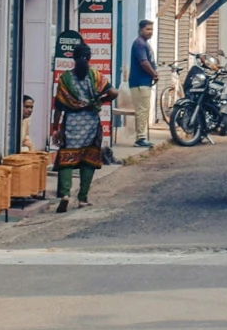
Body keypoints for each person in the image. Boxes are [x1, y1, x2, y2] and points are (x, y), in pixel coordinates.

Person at [51, 57, 112, 212]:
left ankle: (65, 194)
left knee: (66, 157)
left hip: (71, 122)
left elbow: (58, 105)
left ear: (74, 59)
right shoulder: (95, 76)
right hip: (91, 122)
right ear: (89, 59)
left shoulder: (65, 79)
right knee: (88, 158)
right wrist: (101, 101)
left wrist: (55, 127)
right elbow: (113, 92)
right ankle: (82, 198)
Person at [124, 21, 159, 150]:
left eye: (152, 30)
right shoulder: (139, 44)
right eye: (148, 29)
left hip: (144, 83)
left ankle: (142, 137)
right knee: (142, 111)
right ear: (141, 30)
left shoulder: (144, 44)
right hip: (139, 83)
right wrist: (154, 74)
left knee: (144, 110)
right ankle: (140, 138)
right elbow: (144, 63)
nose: (150, 32)